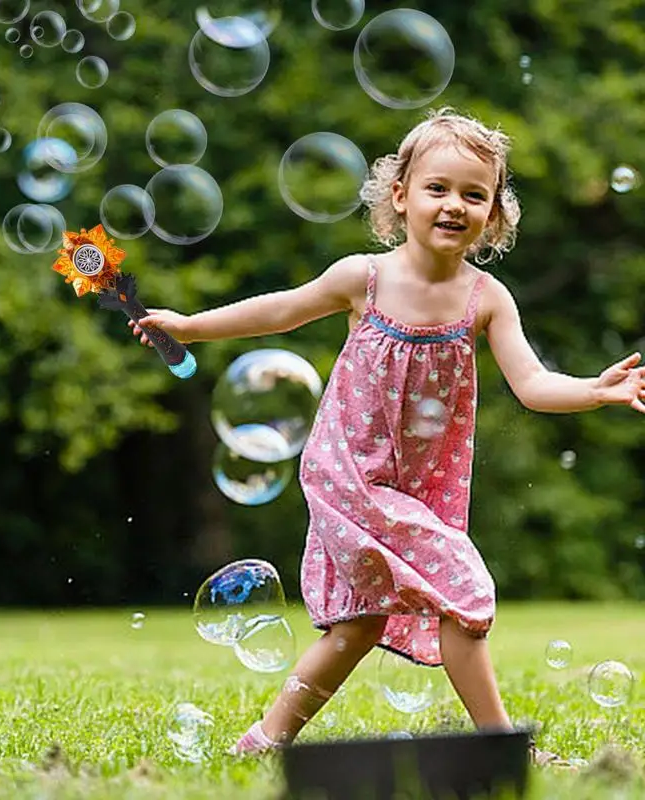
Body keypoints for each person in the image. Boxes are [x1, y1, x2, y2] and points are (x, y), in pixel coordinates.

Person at [129, 108, 645, 764]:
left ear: (494, 215)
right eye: (438, 188)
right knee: (464, 588)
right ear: (400, 196)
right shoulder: (364, 280)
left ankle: (260, 744)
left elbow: (533, 384)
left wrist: (594, 390)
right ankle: (503, 747)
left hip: (416, 488)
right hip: (350, 473)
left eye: (474, 193)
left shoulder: (486, 298)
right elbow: (279, 309)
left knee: (360, 622)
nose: (454, 203)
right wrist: (193, 326)